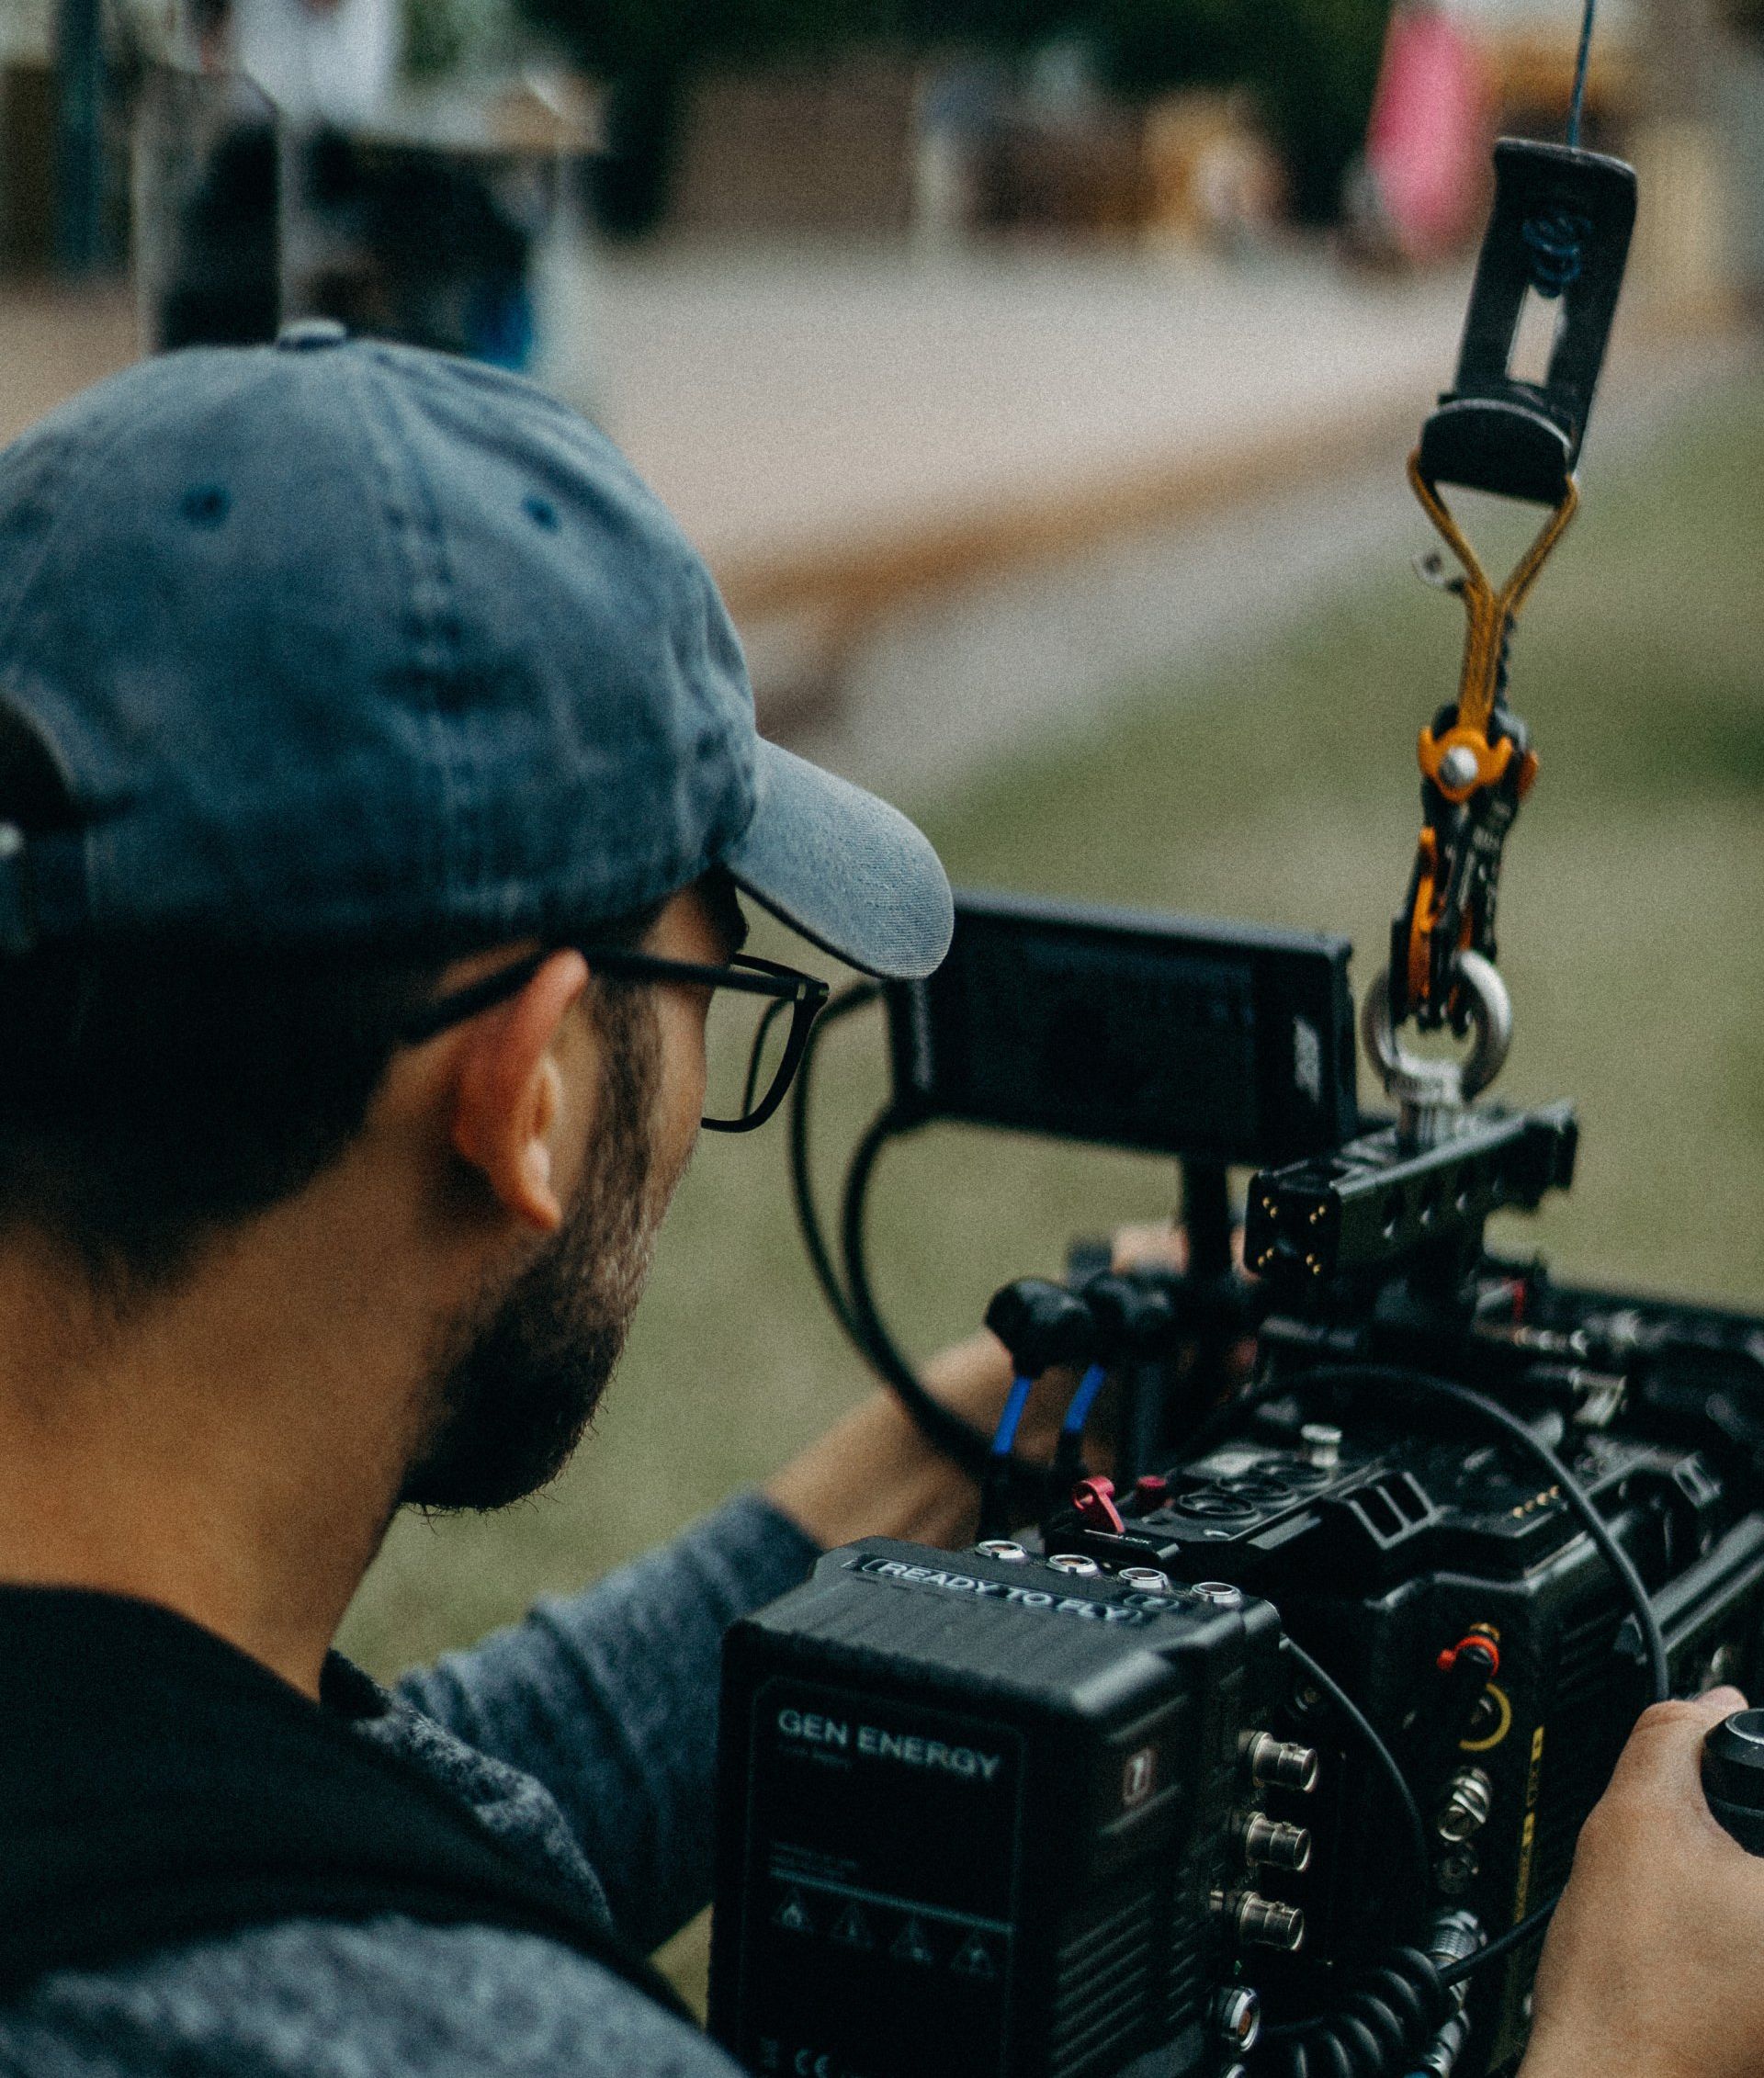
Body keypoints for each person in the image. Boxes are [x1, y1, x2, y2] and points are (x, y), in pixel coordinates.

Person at [0, 327, 1756, 2078]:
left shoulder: (155, 1739)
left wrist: (953, 1443)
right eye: (711, 1000)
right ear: (529, 1092)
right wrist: (1626, 2049)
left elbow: (352, 1808)